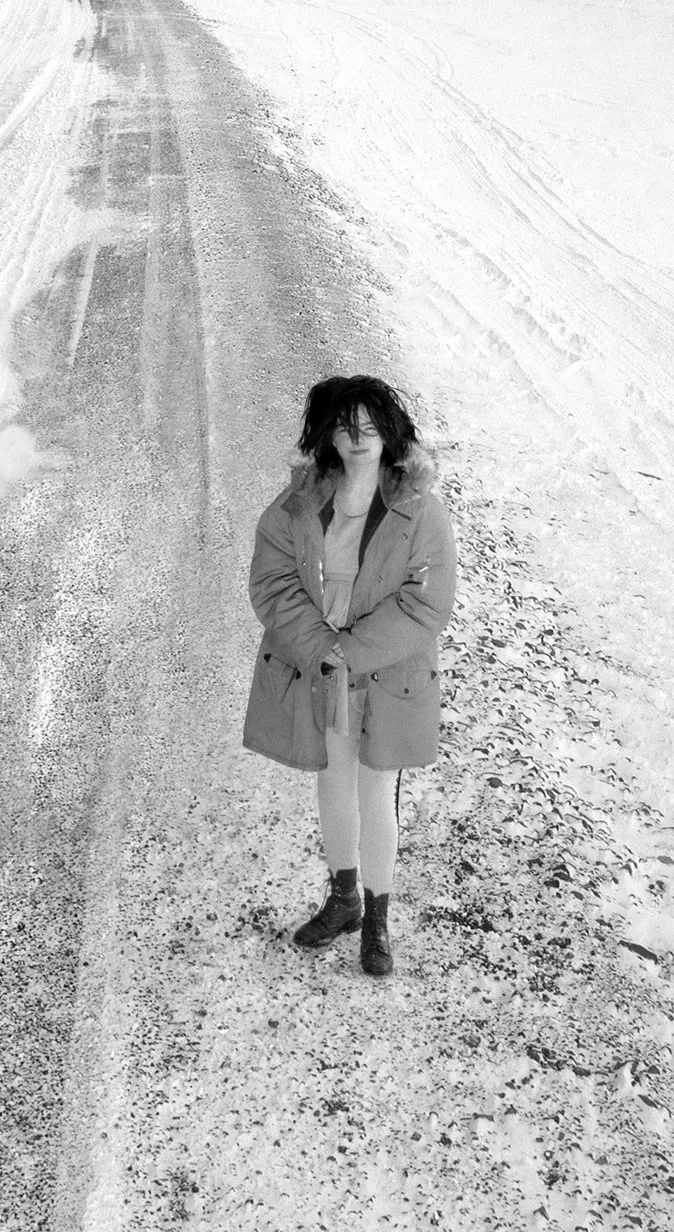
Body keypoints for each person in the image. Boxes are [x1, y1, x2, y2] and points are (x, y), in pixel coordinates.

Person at [243, 373, 458, 976]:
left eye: (369, 425)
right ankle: (343, 902)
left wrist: (353, 650)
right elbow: (272, 582)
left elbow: (426, 603)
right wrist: (322, 648)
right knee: (333, 782)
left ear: (389, 432)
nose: (358, 436)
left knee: (376, 791)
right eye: (344, 426)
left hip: (386, 672)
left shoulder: (419, 508)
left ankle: (378, 919)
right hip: (322, 669)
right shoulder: (298, 503)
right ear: (328, 436)